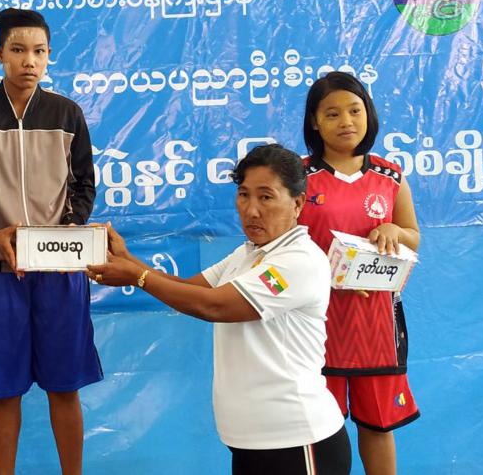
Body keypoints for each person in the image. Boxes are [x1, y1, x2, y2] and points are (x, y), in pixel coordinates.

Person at [88, 144, 351, 475]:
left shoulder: (299, 261)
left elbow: (213, 305)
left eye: (266, 197)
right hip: (251, 442)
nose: (251, 210)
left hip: (297, 441)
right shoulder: (249, 253)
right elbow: (192, 289)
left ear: (297, 203)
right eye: (243, 195)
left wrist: (136, 277)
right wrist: (128, 259)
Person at [0, 8, 102, 475]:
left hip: (59, 269)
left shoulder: (67, 114)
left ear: (49, 56)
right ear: (0, 54)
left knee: (65, 387)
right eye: (18, 50)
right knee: (5, 392)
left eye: (39, 52)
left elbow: (84, 184)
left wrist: (71, 226)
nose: (29, 61)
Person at [297, 71, 421, 475]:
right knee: (319, 431)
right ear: (315, 122)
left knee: (378, 426)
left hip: (376, 326)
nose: (346, 121)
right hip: (316, 324)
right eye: (332, 114)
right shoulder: (296, 177)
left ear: (369, 113)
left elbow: (413, 236)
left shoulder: (390, 176)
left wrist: (395, 231)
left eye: (355, 110)